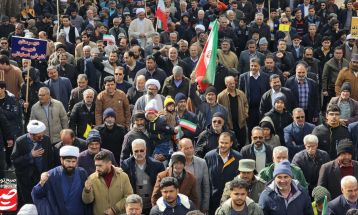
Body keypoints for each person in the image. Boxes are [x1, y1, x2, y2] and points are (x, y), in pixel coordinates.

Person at [31, 146, 89, 214]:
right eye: (68, 161)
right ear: (61, 160)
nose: (71, 164)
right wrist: (42, 182)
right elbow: (36, 194)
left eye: (73, 162)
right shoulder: (52, 175)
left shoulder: (82, 173)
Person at [11, 120, 54, 207]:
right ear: (31, 134)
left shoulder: (46, 139)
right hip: (26, 179)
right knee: (30, 203)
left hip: (43, 177)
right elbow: (14, 161)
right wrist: (30, 155)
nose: (42, 138)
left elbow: (50, 158)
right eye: (39, 137)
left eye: (42, 135)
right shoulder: (20, 141)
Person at [121, 139, 165, 214]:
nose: (139, 153)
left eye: (142, 150)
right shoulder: (126, 165)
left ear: (146, 150)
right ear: (132, 151)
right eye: (136, 151)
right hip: (135, 208)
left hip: (152, 206)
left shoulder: (157, 165)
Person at [82, 150, 133, 215]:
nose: (97, 168)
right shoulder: (92, 178)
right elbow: (87, 201)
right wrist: (87, 190)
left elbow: (129, 196)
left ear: (109, 164)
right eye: (96, 165)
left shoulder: (123, 176)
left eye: (100, 165)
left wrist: (114, 209)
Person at [205, 132, 242, 215]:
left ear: (231, 143)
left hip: (230, 200)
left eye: (226, 143)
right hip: (212, 200)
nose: (223, 145)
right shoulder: (209, 156)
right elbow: (205, 180)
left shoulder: (238, 157)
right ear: (218, 142)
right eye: (221, 142)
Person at [178, 138, 210, 213]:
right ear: (180, 149)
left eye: (191, 147)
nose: (190, 150)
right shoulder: (175, 163)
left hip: (197, 205)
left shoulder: (202, 163)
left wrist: (205, 206)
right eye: (186, 148)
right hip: (180, 206)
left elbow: (206, 187)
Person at [239, 57, 270, 132]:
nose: (253, 68)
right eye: (251, 65)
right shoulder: (243, 77)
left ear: (259, 66)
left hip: (261, 109)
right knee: (250, 130)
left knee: (262, 128)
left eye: (255, 66)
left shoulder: (265, 77)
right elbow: (241, 93)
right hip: (249, 109)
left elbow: (268, 92)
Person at [217, 76, 249, 148]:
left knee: (242, 143)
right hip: (229, 126)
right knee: (231, 144)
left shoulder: (241, 93)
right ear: (226, 84)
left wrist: (245, 114)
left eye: (233, 83)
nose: (232, 85)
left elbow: (246, 104)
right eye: (230, 83)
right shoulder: (221, 96)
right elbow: (218, 109)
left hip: (241, 124)